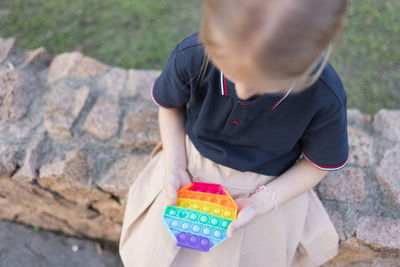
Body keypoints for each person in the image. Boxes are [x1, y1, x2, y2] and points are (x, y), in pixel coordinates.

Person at [119, 0, 350, 266]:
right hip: (187, 167)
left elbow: (317, 165)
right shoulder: (192, 55)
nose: (242, 92)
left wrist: (261, 203)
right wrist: (174, 165)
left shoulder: (324, 96)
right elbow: (170, 107)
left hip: (265, 192)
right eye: (230, 69)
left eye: (263, 83)